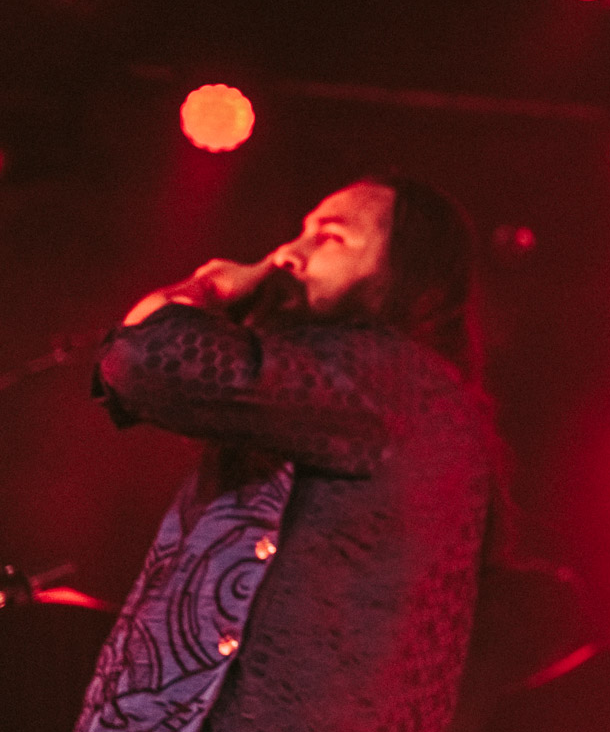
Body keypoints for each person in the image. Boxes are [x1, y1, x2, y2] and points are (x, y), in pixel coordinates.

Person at [76, 175, 501, 732]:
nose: (286, 254)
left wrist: (209, 288)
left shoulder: (390, 378)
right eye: (301, 231)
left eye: (331, 237)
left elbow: (144, 356)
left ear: (407, 272)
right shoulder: (346, 386)